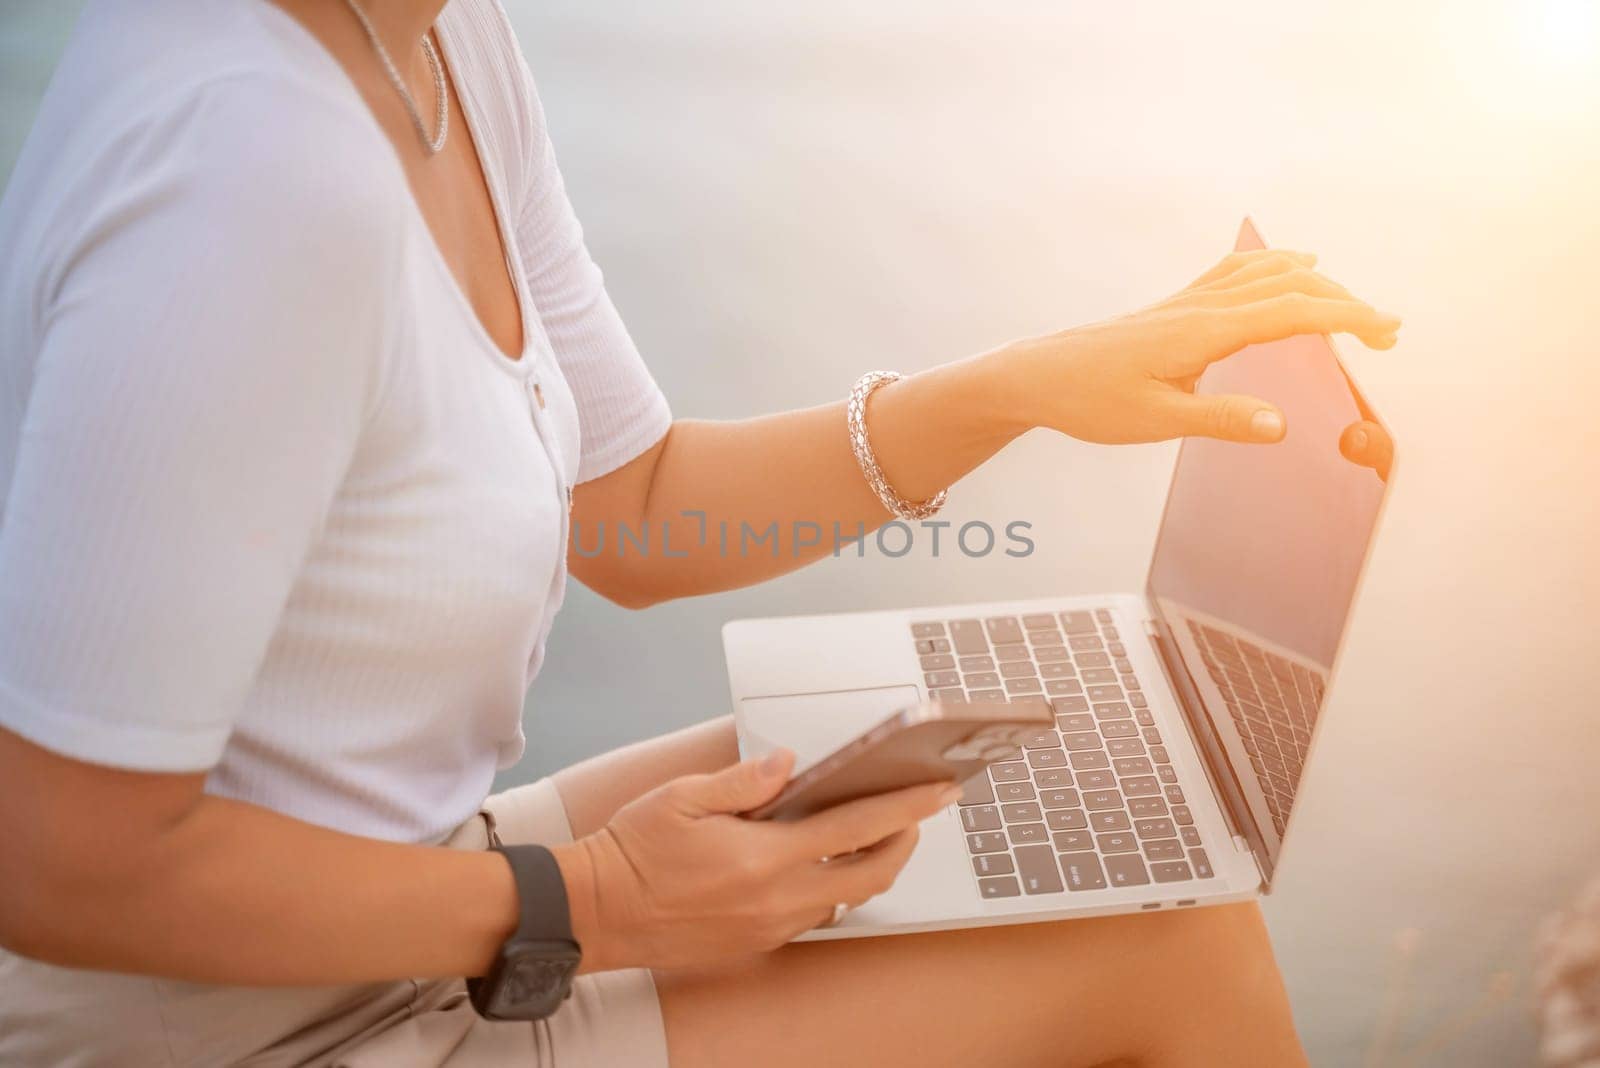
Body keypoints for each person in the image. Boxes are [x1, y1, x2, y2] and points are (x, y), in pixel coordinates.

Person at [0, 0, 1400, 1065]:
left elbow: (635, 513)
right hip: (238, 1030)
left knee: (1051, 755)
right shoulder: (251, 169)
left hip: (415, 891)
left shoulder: (439, 47)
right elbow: (59, 862)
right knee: (1173, 953)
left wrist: (1014, 391)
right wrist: (594, 902)